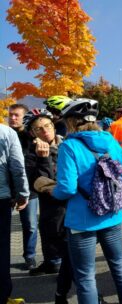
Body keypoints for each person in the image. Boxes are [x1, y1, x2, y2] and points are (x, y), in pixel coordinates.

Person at [51, 98, 122, 303]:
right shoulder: (109, 140)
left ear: (71, 121)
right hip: (113, 215)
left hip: (82, 221)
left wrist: (51, 191)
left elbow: (67, 188)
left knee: (86, 276)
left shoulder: (69, 146)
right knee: (119, 266)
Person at [22, 108, 73, 303]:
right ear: (33, 133)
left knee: (72, 260)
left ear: (54, 126)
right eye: (38, 129)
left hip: (76, 212)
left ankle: (61, 294)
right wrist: (43, 159)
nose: (45, 131)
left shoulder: (68, 146)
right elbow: (47, 185)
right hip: (54, 216)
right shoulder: (32, 156)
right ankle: (82, 295)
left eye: (47, 126)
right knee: (71, 259)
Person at [8, 104, 40, 272]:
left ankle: (29, 256)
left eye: (16, 115)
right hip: (6, 188)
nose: (13, 118)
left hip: (29, 190)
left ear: (24, 117)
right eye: (10, 115)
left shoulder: (31, 137)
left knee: (30, 225)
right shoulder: (4, 135)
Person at [0, 123, 30, 304]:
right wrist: (22, 194)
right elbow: (17, 166)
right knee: (1, 249)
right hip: (1, 197)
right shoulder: (6, 132)